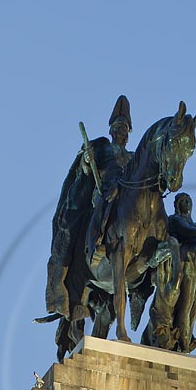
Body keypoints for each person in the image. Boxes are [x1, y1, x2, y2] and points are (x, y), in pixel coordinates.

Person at [42, 96, 133, 358]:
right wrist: (86, 161)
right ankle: (71, 268)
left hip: (126, 210)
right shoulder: (102, 147)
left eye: (124, 129)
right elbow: (83, 168)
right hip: (101, 198)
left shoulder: (133, 156)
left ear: (129, 132)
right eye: (117, 128)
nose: (120, 133)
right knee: (79, 222)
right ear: (111, 130)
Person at [145, 192, 196, 353]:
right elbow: (187, 232)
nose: (187, 203)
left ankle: (184, 337)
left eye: (189, 200)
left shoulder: (195, 226)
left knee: (192, 308)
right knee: (183, 306)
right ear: (177, 205)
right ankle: (180, 339)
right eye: (184, 200)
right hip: (181, 266)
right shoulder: (176, 221)